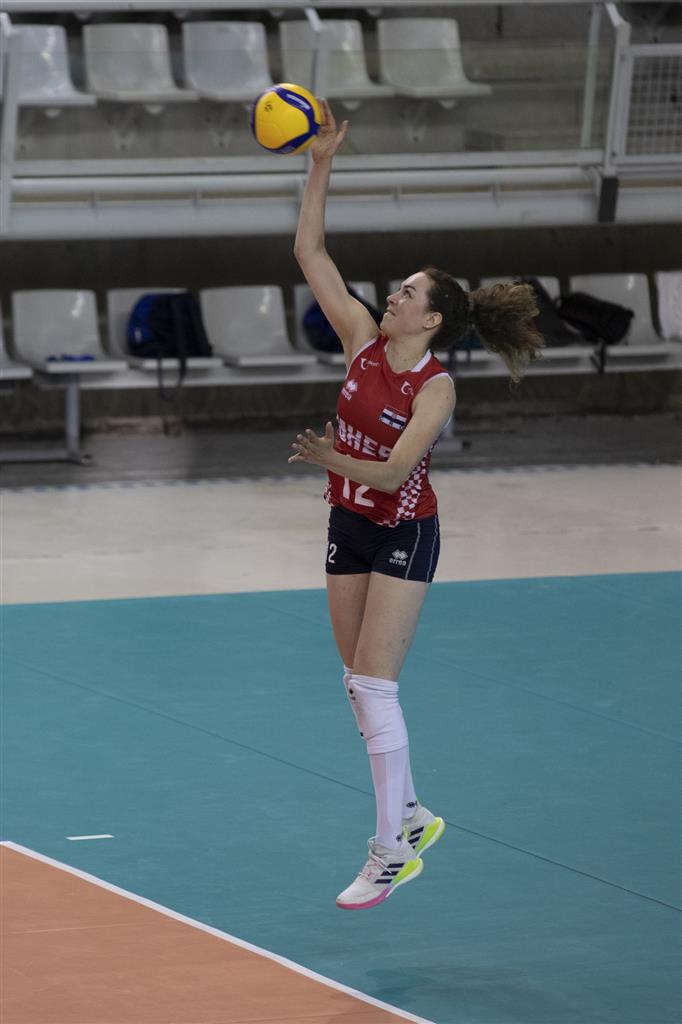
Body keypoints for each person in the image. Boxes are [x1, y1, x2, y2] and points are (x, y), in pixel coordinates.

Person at [289, 99, 544, 911]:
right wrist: (321, 163)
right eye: (396, 289)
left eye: (407, 293)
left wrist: (329, 457)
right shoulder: (360, 340)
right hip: (348, 523)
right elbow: (310, 251)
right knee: (355, 682)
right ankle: (412, 813)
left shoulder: (435, 387)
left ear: (431, 319)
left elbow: (397, 471)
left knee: (375, 687)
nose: (393, 297)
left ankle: (390, 852)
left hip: (404, 529)